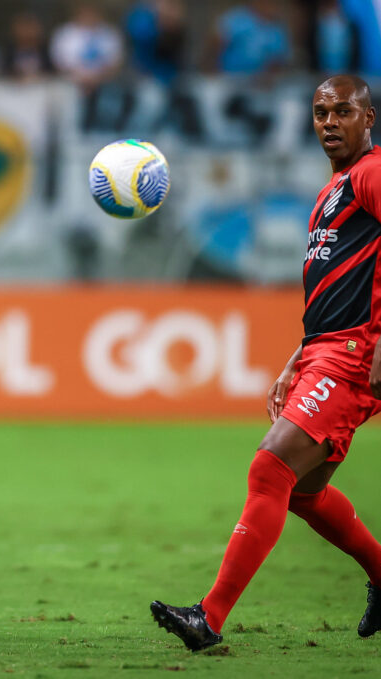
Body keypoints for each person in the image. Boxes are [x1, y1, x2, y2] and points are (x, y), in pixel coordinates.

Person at [151, 74, 381, 651]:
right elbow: (340, 289)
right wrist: (298, 356)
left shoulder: (372, 174)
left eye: (343, 111)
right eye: (321, 113)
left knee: (271, 468)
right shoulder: (335, 189)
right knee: (302, 492)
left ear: (369, 117)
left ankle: (208, 618)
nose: (330, 122)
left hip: (353, 355)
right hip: (326, 349)